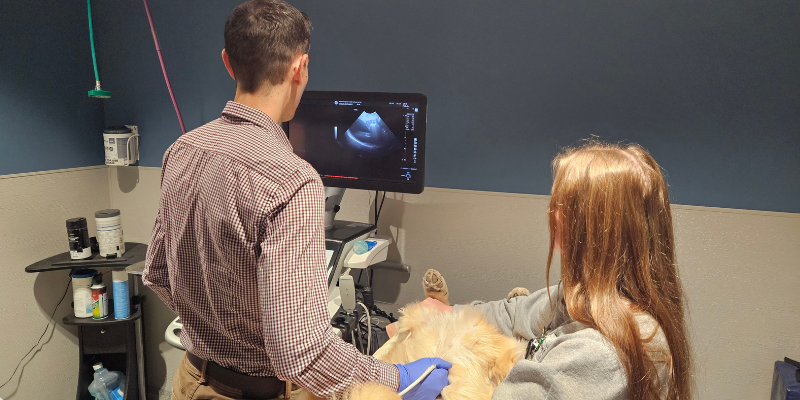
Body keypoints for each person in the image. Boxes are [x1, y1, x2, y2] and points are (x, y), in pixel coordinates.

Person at [141, 1, 450, 399]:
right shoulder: (292, 181)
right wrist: (400, 379)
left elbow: (158, 273)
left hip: (190, 379)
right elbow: (300, 353)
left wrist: (217, 328)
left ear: (227, 63)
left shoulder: (182, 150)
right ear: (299, 68)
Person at [423, 142, 692, 400]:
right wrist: (448, 314)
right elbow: (514, 313)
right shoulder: (584, 296)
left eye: (560, 204)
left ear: (594, 226)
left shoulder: (597, 356)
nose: (549, 211)